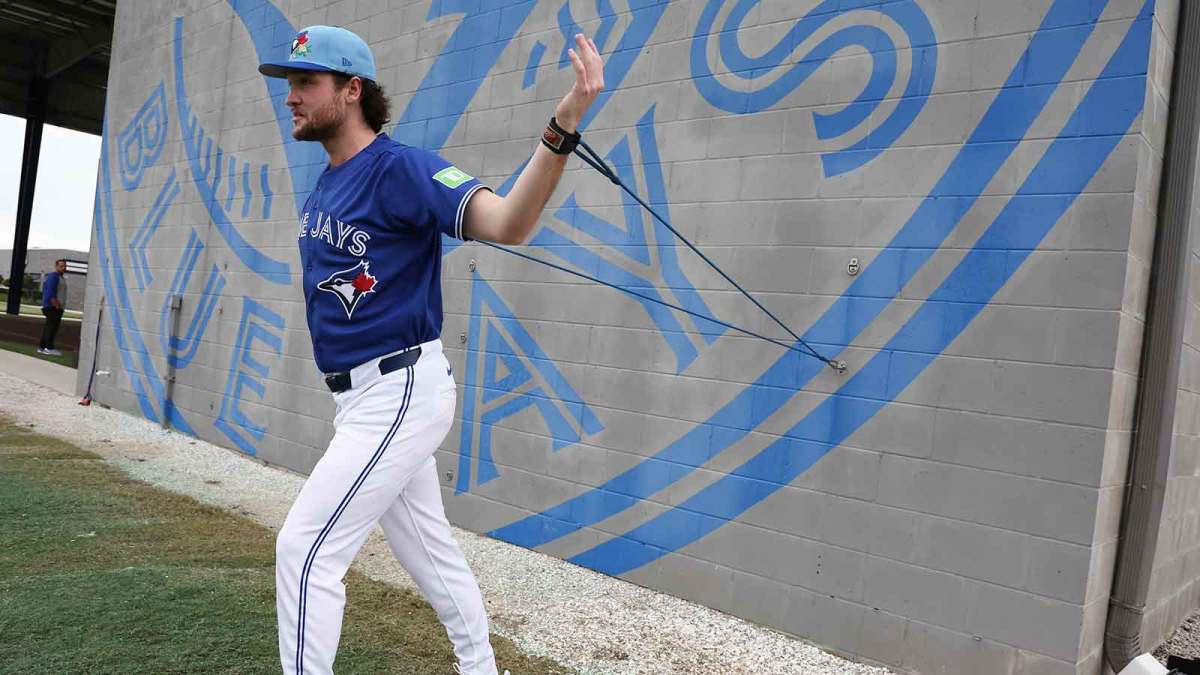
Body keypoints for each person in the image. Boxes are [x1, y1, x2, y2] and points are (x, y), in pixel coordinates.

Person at [257, 24, 604, 675]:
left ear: (352, 89)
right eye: (289, 83)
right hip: (361, 399)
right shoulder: (328, 182)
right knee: (430, 552)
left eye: (305, 81)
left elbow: (509, 222)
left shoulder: (403, 168)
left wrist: (562, 126)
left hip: (399, 390)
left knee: (304, 551)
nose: (291, 96)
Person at [38, 258, 67, 356]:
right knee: (52, 328)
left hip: (55, 307)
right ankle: (49, 348)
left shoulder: (61, 278)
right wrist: (56, 305)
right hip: (52, 307)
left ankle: (41, 347)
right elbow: (50, 292)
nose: (64, 268)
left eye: (65, 266)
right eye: (61, 266)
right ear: (56, 266)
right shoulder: (53, 277)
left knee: (49, 327)